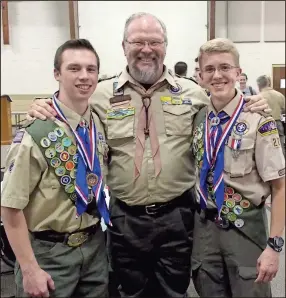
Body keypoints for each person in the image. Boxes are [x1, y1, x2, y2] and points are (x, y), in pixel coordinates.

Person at [26, 13, 271, 298]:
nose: (146, 49)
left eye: (154, 42)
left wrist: (256, 101)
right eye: (138, 42)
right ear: (123, 46)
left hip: (178, 214)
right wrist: (40, 104)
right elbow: (67, 105)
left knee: (174, 290)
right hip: (124, 217)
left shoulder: (194, 92)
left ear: (165, 46)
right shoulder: (99, 94)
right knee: (129, 291)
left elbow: (227, 104)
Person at [1, 39, 109, 298]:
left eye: (91, 69)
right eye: (74, 68)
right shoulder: (36, 133)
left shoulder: (99, 123)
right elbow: (10, 207)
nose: (84, 76)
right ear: (56, 74)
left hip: (95, 248)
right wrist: (29, 270)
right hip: (49, 254)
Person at [191, 38, 285, 298]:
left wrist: (275, 247)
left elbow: (280, 186)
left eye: (225, 67)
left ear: (238, 73)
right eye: (209, 69)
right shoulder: (198, 118)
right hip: (205, 230)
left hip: (245, 228)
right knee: (208, 288)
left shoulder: (258, 119)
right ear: (200, 76)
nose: (217, 75)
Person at [257, 74, 285, 156]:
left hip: (264, 124)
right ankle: (283, 165)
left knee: (266, 147)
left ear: (259, 85)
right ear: (268, 83)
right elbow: (283, 109)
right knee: (280, 144)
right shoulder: (279, 95)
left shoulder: (258, 97)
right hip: (278, 122)